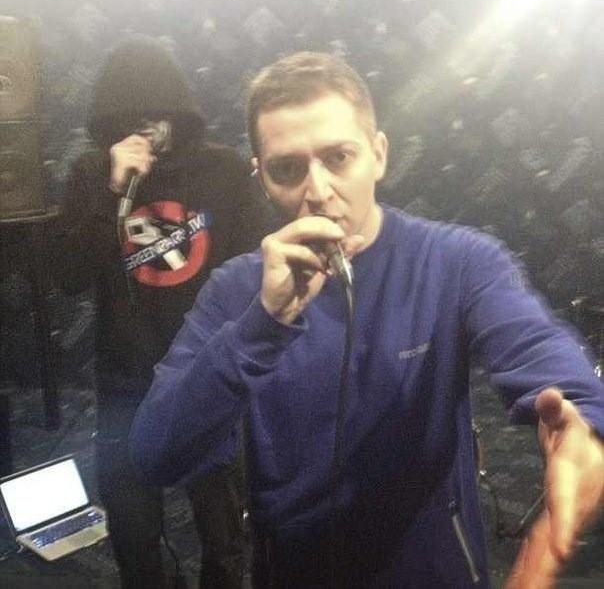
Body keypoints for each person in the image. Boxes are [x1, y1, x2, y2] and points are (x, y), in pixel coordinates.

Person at [129, 51, 604, 588]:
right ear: (261, 178)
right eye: (288, 169)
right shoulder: (237, 292)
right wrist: (263, 325)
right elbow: (155, 455)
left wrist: (584, 426)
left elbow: (540, 351)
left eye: (338, 157)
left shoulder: (456, 261)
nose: (318, 191)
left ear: (378, 155)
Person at [52, 35, 267, 588]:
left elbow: (253, 269)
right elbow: (68, 276)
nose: (146, 129)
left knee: (224, 531)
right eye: (129, 120)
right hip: (125, 376)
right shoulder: (91, 175)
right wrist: (112, 190)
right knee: (133, 532)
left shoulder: (222, 170)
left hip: (206, 373)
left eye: (156, 117)